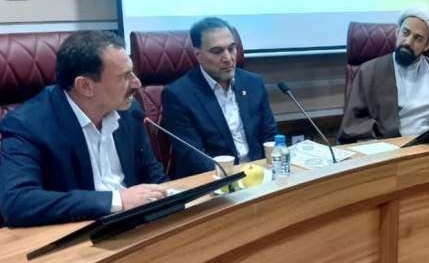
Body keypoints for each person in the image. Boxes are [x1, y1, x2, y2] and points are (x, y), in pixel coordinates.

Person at [0, 31, 168, 227]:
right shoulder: (28, 125)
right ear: (85, 86)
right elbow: (18, 201)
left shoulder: (129, 111)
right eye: (125, 76)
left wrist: (173, 196)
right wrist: (117, 201)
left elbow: (153, 173)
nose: (137, 83)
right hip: (77, 231)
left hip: (136, 225)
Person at [162, 17, 278, 178]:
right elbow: (193, 157)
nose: (228, 58)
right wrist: (233, 180)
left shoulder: (253, 83)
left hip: (259, 175)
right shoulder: (178, 95)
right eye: (217, 51)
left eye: (231, 48)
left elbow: (270, 136)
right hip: (216, 180)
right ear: (198, 55)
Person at [338, 5, 429, 142]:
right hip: (390, 147)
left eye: (418, 38)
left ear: (427, 45)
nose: (408, 42)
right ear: (397, 32)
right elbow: (353, 124)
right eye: (405, 33)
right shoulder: (369, 71)